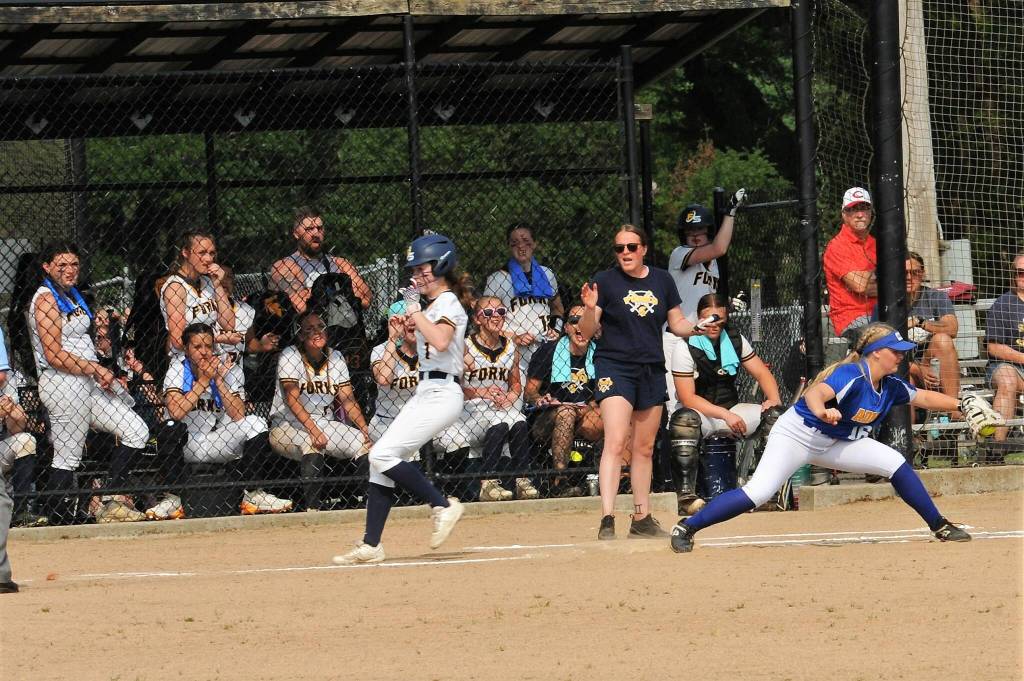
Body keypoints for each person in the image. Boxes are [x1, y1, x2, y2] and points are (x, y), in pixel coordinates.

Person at [669, 322, 985, 553]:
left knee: (894, 462)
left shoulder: (890, 385)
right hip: (797, 435)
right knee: (758, 493)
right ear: (875, 353)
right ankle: (687, 527)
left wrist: (961, 404)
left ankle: (939, 526)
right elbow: (814, 394)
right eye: (894, 351)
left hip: (837, 442)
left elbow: (924, 398)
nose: (900, 357)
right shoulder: (851, 375)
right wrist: (822, 411)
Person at [333, 234, 470, 565]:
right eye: (415, 270)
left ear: (442, 265)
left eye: (423, 269)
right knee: (381, 459)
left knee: (381, 454)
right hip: (426, 391)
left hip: (443, 393)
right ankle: (371, 544)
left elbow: (441, 341)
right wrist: (408, 325)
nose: (417, 276)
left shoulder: (448, 302)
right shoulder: (433, 306)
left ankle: (442, 504)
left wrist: (415, 313)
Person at [578, 224, 701, 540]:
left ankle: (641, 518)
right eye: (619, 248)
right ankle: (607, 518)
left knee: (644, 448)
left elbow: (676, 322)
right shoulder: (605, 280)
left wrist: (698, 327)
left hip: (650, 368)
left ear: (643, 249)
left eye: (631, 247)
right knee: (616, 440)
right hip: (614, 365)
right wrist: (590, 309)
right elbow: (587, 331)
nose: (625, 253)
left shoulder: (662, 280)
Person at [27, 242, 151, 523]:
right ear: (46, 267)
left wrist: (97, 370)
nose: (70, 270)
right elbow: (53, 354)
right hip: (62, 384)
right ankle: (58, 518)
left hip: (86, 382)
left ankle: (109, 500)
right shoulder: (45, 299)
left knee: (136, 430)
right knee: (68, 456)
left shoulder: (71, 295)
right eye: (61, 265)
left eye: (74, 264)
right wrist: (95, 368)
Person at [152, 322, 292, 520]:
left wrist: (218, 381)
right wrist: (203, 381)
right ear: (186, 349)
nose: (204, 352)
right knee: (170, 426)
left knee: (256, 423)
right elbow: (175, 412)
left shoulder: (227, 369)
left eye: (208, 346)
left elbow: (238, 415)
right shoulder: (177, 369)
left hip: (216, 441)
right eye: (197, 347)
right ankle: (172, 500)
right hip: (187, 443)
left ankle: (253, 495)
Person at [669, 293, 782, 514]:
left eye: (718, 319)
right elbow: (687, 397)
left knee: (776, 416)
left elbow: (762, 373)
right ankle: (687, 499)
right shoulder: (685, 346)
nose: (713, 325)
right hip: (702, 413)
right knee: (684, 421)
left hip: (731, 407)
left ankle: (766, 494)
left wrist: (773, 400)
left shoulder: (735, 338)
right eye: (708, 319)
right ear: (699, 319)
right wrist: (725, 415)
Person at [435, 296, 538, 503]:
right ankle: (488, 483)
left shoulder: (510, 346)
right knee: (500, 422)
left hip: (499, 409)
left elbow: (515, 384)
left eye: (501, 312)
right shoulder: (465, 346)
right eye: (488, 313)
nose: (496, 317)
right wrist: (481, 392)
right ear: (477, 319)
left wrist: (509, 396)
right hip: (468, 413)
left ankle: (522, 481)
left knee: (519, 420)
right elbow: (453, 388)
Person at [269, 311, 369, 511]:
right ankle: (313, 511)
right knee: (311, 443)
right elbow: (292, 399)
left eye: (320, 327)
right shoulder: (290, 355)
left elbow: (348, 400)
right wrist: (314, 431)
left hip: (325, 422)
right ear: (300, 335)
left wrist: (365, 429)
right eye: (309, 328)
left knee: (362, 443)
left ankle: (371, 502)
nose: (317, 332)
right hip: (287, 425)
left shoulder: (336, 356)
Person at [662, 191, 745, 413]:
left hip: (702, 339)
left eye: (701, 230)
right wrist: (730, 214)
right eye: (690, 231)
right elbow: (720, 248)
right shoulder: (679, 254)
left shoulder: (714, 265)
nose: (696, 235)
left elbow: (703, 295)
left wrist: (728, 302)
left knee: (706, 397)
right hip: (677, 337)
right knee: (677, 405)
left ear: (709, 231)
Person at [525, 303, 603, 498]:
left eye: (586, 321)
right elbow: (529, 392)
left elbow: (600, 397)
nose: (580, 325)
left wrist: (589, 407)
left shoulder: (600, 353)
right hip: (548, 418)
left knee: (614, 415)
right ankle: (560, 480)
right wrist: (540, 398)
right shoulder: (549, 351)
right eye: (574, 320)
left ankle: (618, 477)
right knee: (566, 412)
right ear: (566, 327)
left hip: (585, 415)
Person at [483, 225, 563, 376]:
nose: (521, 246)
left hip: (546, 349)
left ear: (535, 244)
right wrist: (514, 337)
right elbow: (485, 321)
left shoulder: (547, 274)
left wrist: (557, 328)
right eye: (514, 242)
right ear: (508, 246)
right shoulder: (497, 279)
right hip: (513, 352)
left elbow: (557, 308)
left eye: (526, 241)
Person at [267, 206, 372, 315]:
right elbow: (300, 307)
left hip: (344, 324)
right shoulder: (286, 266)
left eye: (319, 228)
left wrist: (310, 292)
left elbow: (366, 298)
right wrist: (344, 292)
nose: (316, 233)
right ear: (296, 234)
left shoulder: (340, 263)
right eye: (309, 229)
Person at [159, 229, 235, 362]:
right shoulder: (176, 287)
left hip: (210, 361)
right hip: (185, 364)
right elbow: (178, 340)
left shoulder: (208, 282)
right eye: (202, 253)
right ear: (186, 252)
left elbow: (229, 324)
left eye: (212, 253)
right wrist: (218, 338)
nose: (209, 259)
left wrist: (218, 285)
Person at [897, 252, 961, 402]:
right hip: (903, 366)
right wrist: (916, 368)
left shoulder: (936, 296)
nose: (909, 277)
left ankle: (954, 407)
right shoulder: (889, 302)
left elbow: (952, 328)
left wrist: (921, 322)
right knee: (906, 383)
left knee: (943, 340)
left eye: (915, 272)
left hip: (931, 362)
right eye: (904, 273)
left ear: (923, 273)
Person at [217, 265, 281, 397]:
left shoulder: (245, 310)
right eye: (220, 275)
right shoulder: (202, 309)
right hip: (207, 375)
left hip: (234, 379)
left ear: (234, 283)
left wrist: (262, 345)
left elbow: (249, 342)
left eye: (228, 277)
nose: (224, 280)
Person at [823, 187, 877, 340]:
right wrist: (885, 279)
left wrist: (871, 279)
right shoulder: (836, 246)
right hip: (853, 318)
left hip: (882, 311)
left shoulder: (876, 243)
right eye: (853, 209)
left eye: (864, 208)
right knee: (885, 335)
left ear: (871, 212)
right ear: (844, 214)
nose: (860, 215)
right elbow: (860, 286)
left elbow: (899, 283)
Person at [985, 251, 1024, 443]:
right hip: (1007, 367)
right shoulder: (1002, 304)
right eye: (1019, 272)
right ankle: (996, 448)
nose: (1022, 276)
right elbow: (994, 348)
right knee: (1008, 380)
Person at [368, 305, 419, 443]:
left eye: (415, 317)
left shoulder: (427, 348)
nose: (412, 323)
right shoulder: (380, 350)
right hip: (387, 421)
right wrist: (393, 338)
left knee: (455, 439)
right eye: (406, 319)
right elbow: (384, 379)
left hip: (420, 420)